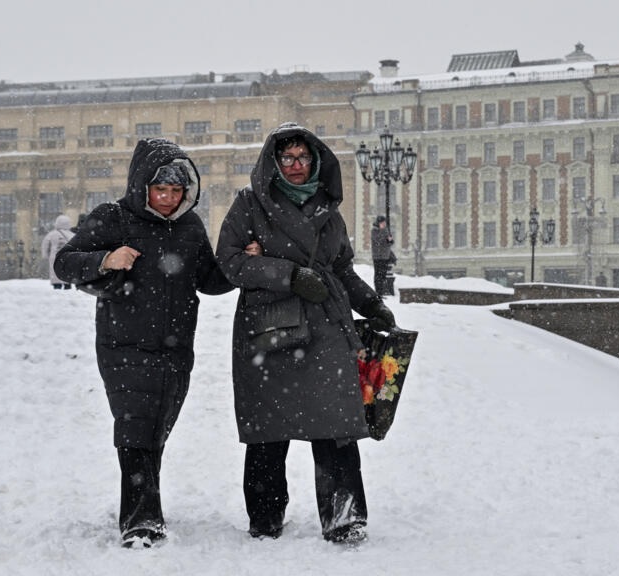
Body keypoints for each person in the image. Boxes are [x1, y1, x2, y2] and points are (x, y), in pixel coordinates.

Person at [215, 123, 396, 545]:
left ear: (315, 161)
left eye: (303, 157)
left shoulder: (327, 208)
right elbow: (229, 261)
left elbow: (341, 269)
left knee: (334, 422)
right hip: (270, 327)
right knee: (268, 429)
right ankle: (265, 516)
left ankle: (344, 515)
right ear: (274, 162)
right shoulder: (248, 204)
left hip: (326, 326)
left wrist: (370, 304)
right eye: (287, 158)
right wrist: (288, 275)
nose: (296, 166)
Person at [53, 138, 235, 549]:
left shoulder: (190, 227)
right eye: (161, 190)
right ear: (142, 186)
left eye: (176, 191)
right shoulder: (114, 218)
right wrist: (105, 259)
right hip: (125, 345)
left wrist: (242, 263)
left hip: (175, 349)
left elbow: (208, 280)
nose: (169, 199)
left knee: (155, 431)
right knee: (135, 428)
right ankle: (141, 522)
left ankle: (144, 504)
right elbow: (65, 262)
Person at [40, 215, 75, 289]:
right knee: (67, 271)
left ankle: (57, 285)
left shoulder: (52, 234)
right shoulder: (72, 235)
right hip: (69, 257)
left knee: (55, 271)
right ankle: (67, 285)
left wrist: (45, 255)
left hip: (55, 257)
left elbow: (45, 244)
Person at [370, 216, 395, 295]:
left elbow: (389, 242)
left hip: (385, 256)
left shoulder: (385, 230)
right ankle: (378, 292)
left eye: (384, 223)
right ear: (378, 223)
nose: (384, 225)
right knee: (378, 275)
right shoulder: (374, 231)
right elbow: (379, 240)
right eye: (382, 223)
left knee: (383, 275)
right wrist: (385, 233)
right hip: (378, 256)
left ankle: (381, 291)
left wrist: (390, 240)